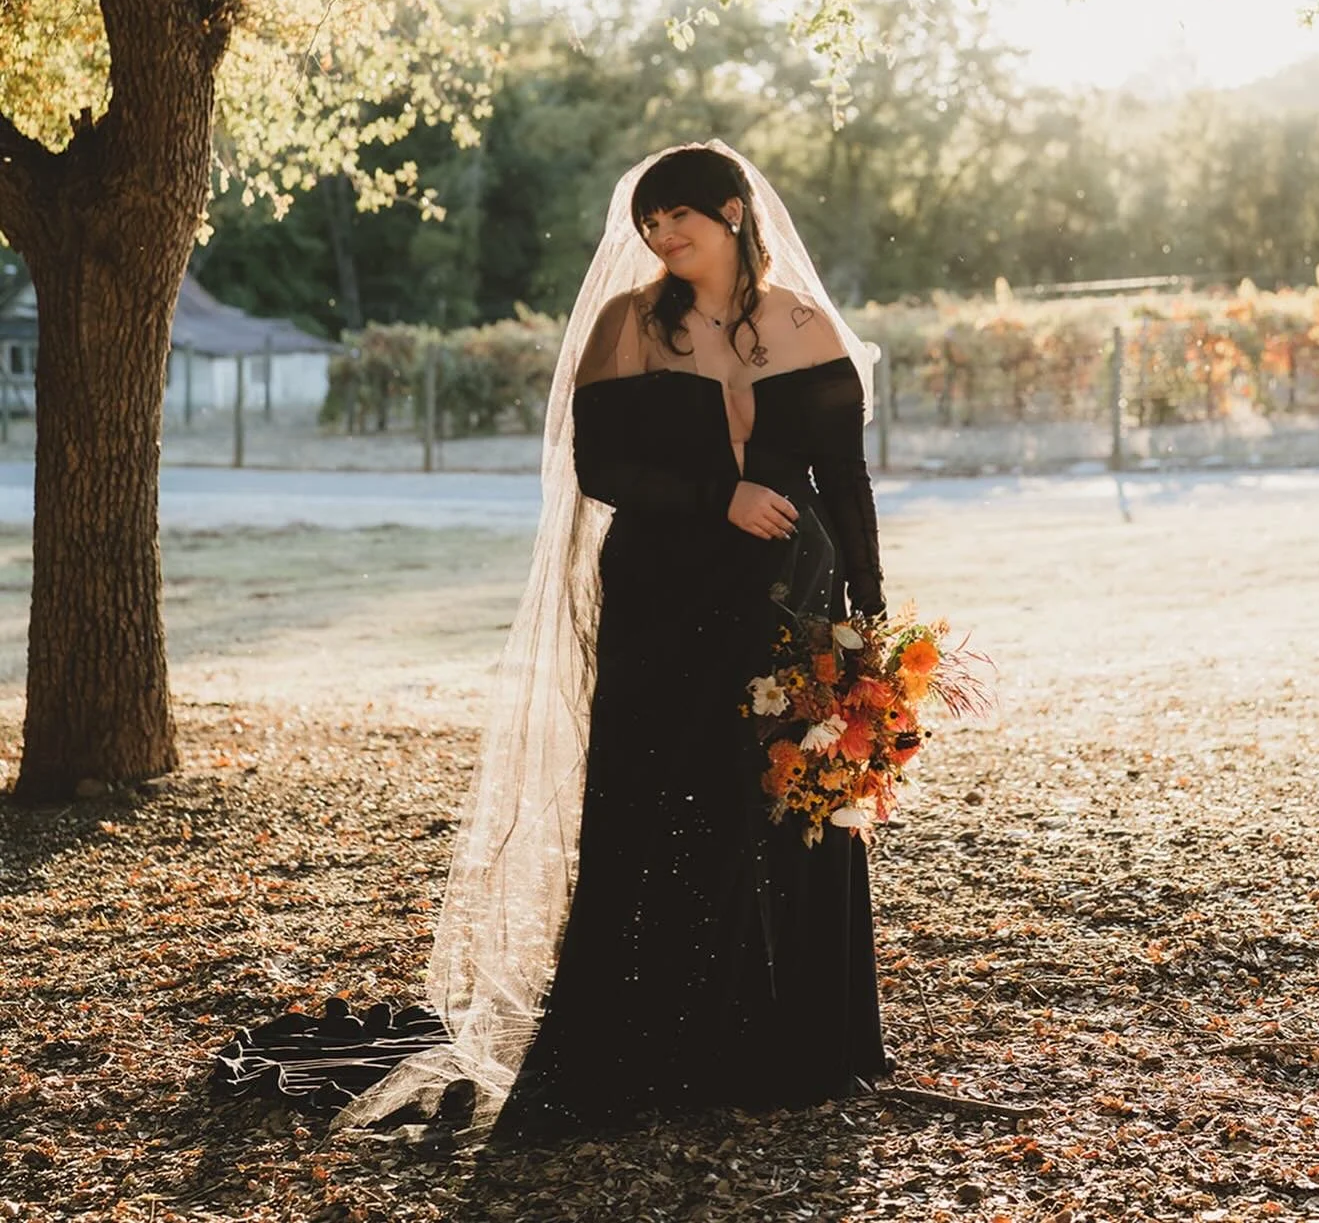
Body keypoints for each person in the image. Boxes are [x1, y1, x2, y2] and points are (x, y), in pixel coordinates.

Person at [215, 142, 888, 1140]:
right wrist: (722, 496)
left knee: (792, 803)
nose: (662, 237)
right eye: (649, 224)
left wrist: (867, 616)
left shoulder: (803, 323)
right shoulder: (631, 324)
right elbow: (601, 464)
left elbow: (846, 476)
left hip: (789, 604)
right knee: (662, 801)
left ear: (735, 215)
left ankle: (788, 1042)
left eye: (680, 219)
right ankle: (657, 1041)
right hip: (666, 596)